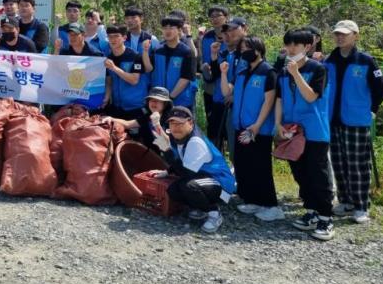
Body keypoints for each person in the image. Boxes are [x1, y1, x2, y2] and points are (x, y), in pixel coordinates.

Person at [325, 20, 383, 224]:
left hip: (356, 120)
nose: (340, 37)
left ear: (356, 36)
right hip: (332, 119)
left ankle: (361, 205)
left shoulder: (366, 61)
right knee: (339, 162)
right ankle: (345, 201)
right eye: (337, 34)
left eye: (345, 33)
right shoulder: (329, 61)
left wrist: (371, 109)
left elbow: (381, 89)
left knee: (358, 164)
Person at [275, 29, 334, 241]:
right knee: (300, 172)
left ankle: (326, 216)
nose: (290, 50)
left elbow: (311, 96)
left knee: (318, 173)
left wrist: (296, 74)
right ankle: (310, 210)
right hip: (292, 129)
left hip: (314, 130)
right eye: (288, 45)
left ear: (307, 47)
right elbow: (280, 99)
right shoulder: (283, 72)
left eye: (295, 45)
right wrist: (278, 124)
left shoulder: (318, 69)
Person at [219, 36, 282, 222]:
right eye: (242, 48)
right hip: (241, 126)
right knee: (243, 164)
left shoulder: (268, 72)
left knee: (260, 166)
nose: (244, 51)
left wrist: (257, 125)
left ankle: (271, 205)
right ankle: (252, 199)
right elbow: (226, 92)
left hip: (258, 129)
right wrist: (223, 73)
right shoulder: (242, 72)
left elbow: (269, 101)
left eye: (248, 48)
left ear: (258, 49)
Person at [149, 106, 236, 234]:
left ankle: (214, 213)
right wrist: (166, 172)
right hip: (203, 177)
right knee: (173, 190)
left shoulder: (195, 141)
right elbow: (182, 160)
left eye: (180, 123)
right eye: (172, 123)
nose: (176, 127)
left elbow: (185, 173)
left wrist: (166, 151)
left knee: (188, 186)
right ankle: (200, 207)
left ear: (190, 123)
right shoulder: (180, 137)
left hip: (221, 183)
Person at [209, 16, 248, 154]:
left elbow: (247, 78)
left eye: (232, 30)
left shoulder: (249, 51)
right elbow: (214, 76)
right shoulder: (224, 52)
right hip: (220, 100)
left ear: (244, 29)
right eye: (225, 31)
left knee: (237, 145)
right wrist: (214, 56)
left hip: (239, 105)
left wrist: (235, 96)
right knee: (216, 138)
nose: (228, 34)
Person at [144, 15, 197, 110]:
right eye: (165, 28)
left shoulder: (186, 52)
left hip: (180, 101)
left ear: (179, 30)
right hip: (158, 100)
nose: (167, 31)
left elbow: (186, 78)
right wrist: (145, 51)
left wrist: (170, 98)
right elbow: (149, 69)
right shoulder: (157, 50)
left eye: (171, 28)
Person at [103, 25, 149, 120]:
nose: (113, 39)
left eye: (116, 36)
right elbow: (109, 80)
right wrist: (107, 96)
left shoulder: (135, 56)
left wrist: (114, 68)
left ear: (124, 38)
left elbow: (134, 80)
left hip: (135, 107)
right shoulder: (109, 58)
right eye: (110, 37)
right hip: (117, 106)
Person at [108, 86, 173, 150]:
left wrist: (156, 124)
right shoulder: (147, 117)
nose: (153, 103)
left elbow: (167, 144)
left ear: (165, 104)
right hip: (150, 155)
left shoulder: (170, 120)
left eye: (157, 100)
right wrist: (110, 118)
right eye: (151, 100)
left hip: (165, 158)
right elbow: (128, 124)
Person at [200, 5, 229, 127]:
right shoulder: (207, 37)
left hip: (227, 83)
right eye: (212, 17)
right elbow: (202, 57)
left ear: (226, 17)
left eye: (218, 16)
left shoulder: (231, 35)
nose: (215, 19)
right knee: (212, 122)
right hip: (210, 84)